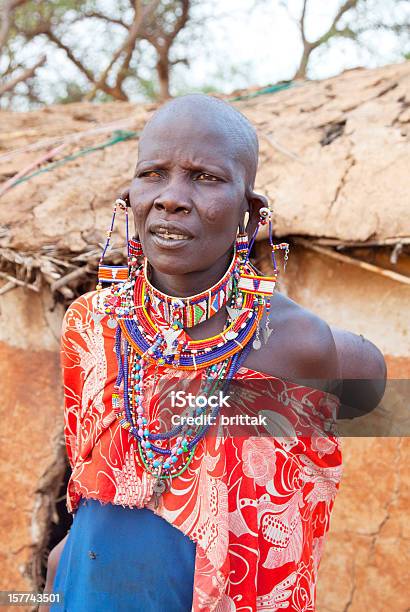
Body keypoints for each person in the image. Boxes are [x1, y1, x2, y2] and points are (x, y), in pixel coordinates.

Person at [42, 93, 386, 612]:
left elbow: (373, 385)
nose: (172, 197)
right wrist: (55, 574)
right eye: (153, 173)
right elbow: (91, 477)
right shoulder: (91, 325)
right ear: (128, 197)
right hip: (89, 584)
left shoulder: (292, 344)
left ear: (251, 213)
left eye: (205, 177)